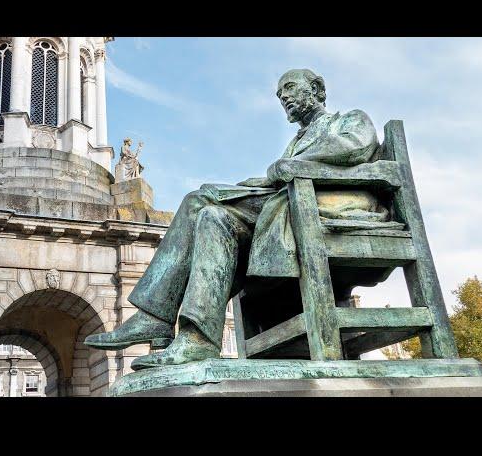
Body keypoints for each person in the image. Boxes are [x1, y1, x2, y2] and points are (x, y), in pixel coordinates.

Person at [85, 68, 383, 370]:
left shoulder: (348, 120)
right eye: (281, 95)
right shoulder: (296, 141)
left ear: (317, 89)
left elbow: (355, 146)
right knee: (210, 213)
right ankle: (195, 339)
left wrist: (289, 165)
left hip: (330, 206)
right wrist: (252, 183)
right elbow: (280, 175)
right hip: (288, 206)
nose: (285, 98)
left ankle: (156, 317)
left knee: (199, 201)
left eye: (291, 88)